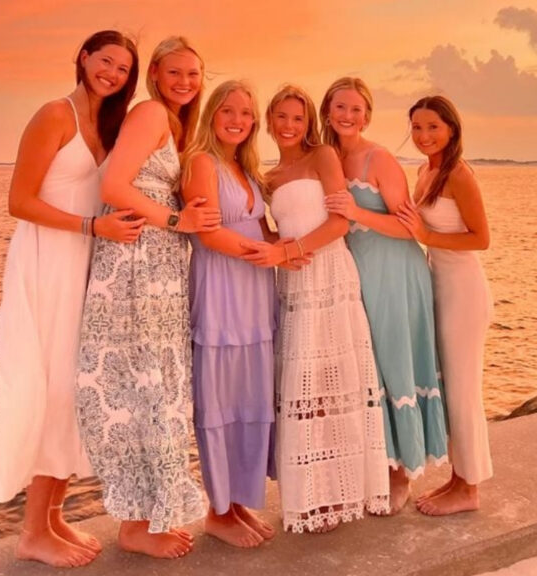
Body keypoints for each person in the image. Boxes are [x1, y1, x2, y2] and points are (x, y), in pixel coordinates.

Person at [0, 30, 143, 567]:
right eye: (106, 61)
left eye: (123, 69)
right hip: (48, 264)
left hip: (87, 267)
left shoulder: (111, 124)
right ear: (83, 57)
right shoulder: (55, 115)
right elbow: (18, 201)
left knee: (78, 390)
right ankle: (32, 532)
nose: (112, 74)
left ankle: (53, 517)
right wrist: (91, 227)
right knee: (50, 388)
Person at [76, 36, 221, 559]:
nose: (185, 82)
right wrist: (177, 220)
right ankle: (135, 526)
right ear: (155, 73)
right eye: (174, 72)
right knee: (138, 385)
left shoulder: (178, 125)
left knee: (155, 386)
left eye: (194, 74)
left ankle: (147, 515)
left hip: (159, 266)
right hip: (136, 263)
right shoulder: (152, 113)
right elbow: (113, 186)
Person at [243, 85, 389, 532]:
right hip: (294, 283)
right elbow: (269, 233)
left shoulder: (323, 156)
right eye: (282, 117)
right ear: (269, 122)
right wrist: (277, 251)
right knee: (305, 394)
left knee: (335, 385)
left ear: (309, 123)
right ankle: (313, 498)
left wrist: (292, 250)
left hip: (329, 273)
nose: (290, 126)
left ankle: (345, 492)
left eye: (298, 118)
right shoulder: (266, 178)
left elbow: (340, 223)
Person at [321, 77, 447, 514]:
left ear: (367, 116)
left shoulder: (380, 159)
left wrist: (356, 211)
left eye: (356, 109)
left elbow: (408, 227)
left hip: (395, 272)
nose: (348, 115)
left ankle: (401, 474)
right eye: (340, 107)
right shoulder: (326, 156)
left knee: (393, 362)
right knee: (366, 367)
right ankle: (374, 466)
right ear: (327, 111)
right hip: (354, 273)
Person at [181, 81, 279, 548]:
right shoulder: (202, 162)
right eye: (228, 110)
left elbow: (264, 230)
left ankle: (238, 502)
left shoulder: (245, 167)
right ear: (212, 115)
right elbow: (208, 235)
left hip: (256, 291)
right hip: (221, 288)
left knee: (250, 396)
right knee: (220, 400)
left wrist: (291, 249)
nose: (237, 120)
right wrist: (267, 253)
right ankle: (217, 512)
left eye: (246, 112)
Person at [396, 95, 493, 516]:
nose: (424, 135)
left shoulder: (458, 174)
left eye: (433, 127)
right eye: (417, 127)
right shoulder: (425, 171)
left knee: (463, 390)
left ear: (451, 129)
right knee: (449, 387)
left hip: (463, 290)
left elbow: (481, 238)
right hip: (438, 286)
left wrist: (426, 236)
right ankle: (458, 477)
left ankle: (470, 489)